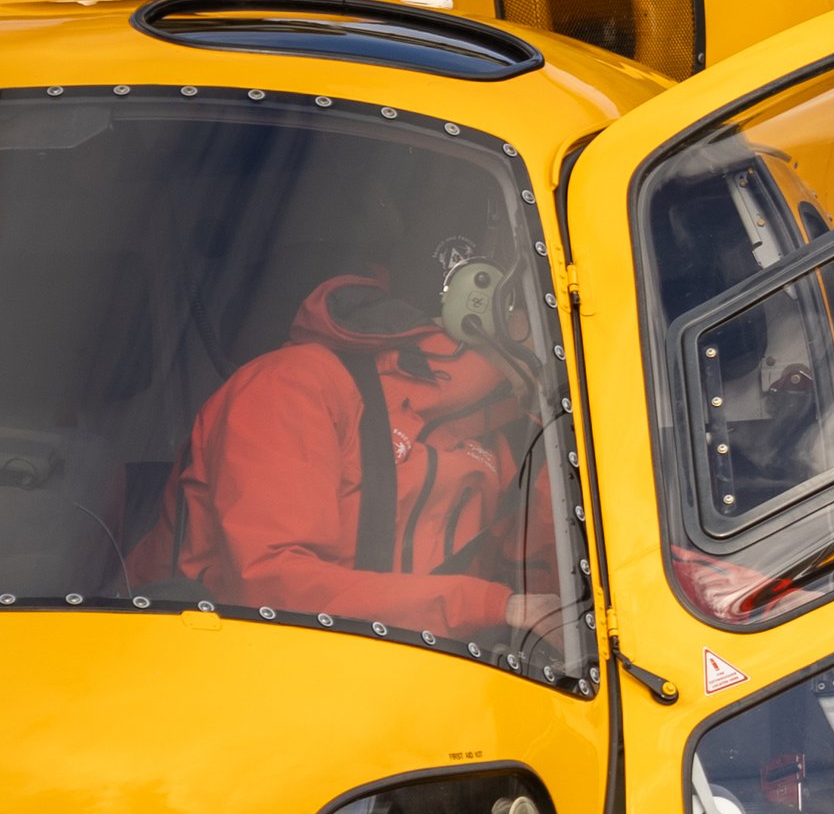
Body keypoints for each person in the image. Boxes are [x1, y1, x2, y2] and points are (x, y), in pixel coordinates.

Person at [126, 258, 562, 641]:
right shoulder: (293, 386)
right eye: (554, 309)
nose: (568, 338)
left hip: (395, 695)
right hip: (222, 676)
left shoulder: (517, 443)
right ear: (483, 307)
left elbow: (561, 600)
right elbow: (270, 592)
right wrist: (489, 607)